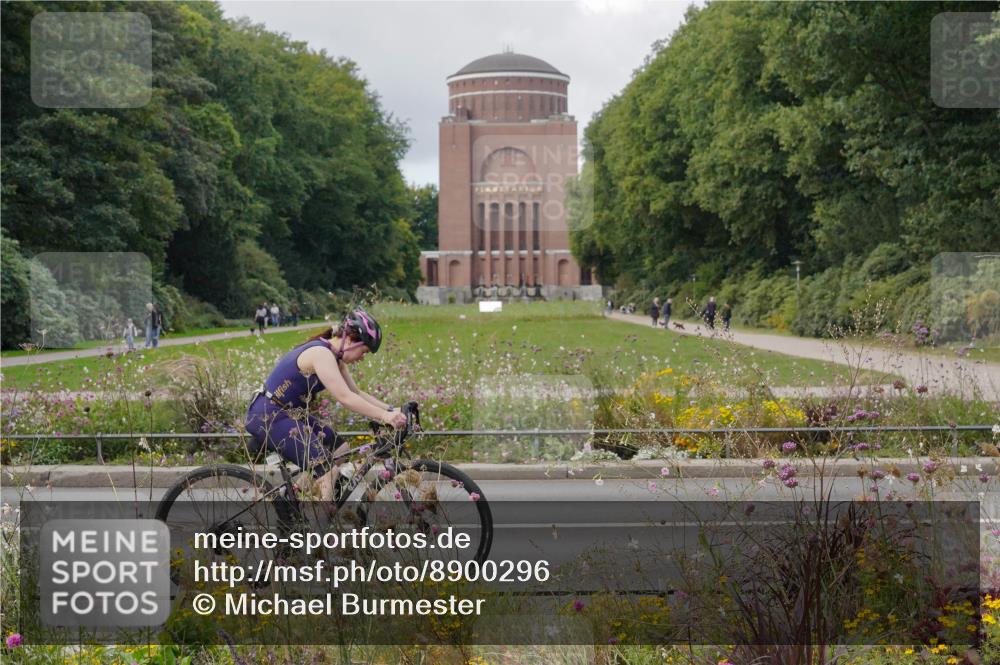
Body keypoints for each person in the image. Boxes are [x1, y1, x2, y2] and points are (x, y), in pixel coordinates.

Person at [244, 309, 406, 502]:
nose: (362, 358)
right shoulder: (321, 354)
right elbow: (345, 397)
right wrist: (384, 417)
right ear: (350, 340)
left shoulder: (334, 357)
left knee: (340, 450)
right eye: (364, 351)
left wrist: (391, 410)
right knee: (328, 473)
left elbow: (356, 392)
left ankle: (293, 497)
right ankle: (322, 520)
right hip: (270, 416)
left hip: (288, 414)